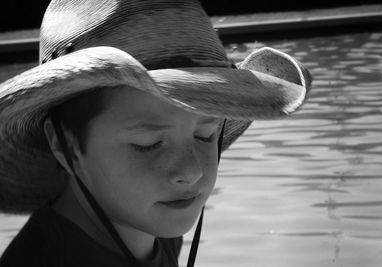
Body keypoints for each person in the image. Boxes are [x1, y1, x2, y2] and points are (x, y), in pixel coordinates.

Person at [0, 0, 311, 266]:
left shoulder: (152, 228)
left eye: (205, 135)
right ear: (64, 143)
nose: (190, 173)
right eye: (147, 144)